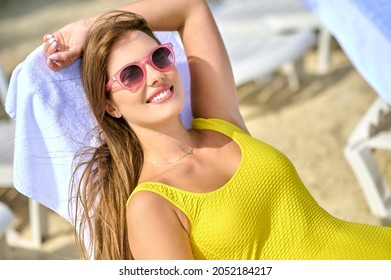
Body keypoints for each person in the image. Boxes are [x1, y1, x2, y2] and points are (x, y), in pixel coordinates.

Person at [43, 0, 391, 260]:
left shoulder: (218, 123)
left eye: (159, 58)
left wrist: (91, 26)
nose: (156, 75)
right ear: (110, 106)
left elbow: (191, 8)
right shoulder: (151, 206)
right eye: (131, 74)